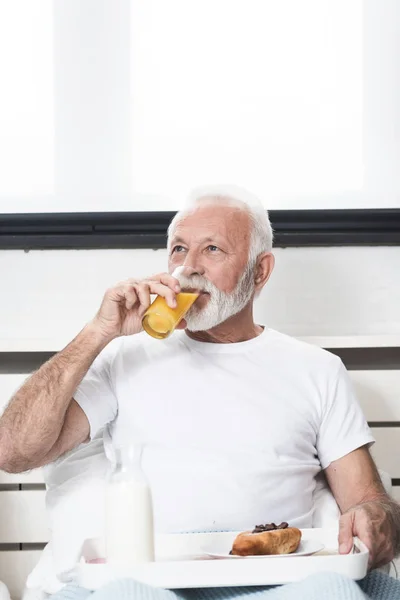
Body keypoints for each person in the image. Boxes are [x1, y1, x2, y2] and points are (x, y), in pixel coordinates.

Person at [1, 187, 400, 600]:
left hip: (282, 582)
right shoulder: (124, 356)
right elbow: (13, 451)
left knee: (335, 591)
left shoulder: (316, 369)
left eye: (212, 249)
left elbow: (368, 501)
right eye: (178, 249)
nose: (188, 267)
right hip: (148, 581)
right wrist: (97, 332)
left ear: (259, 271)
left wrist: (375, 519)